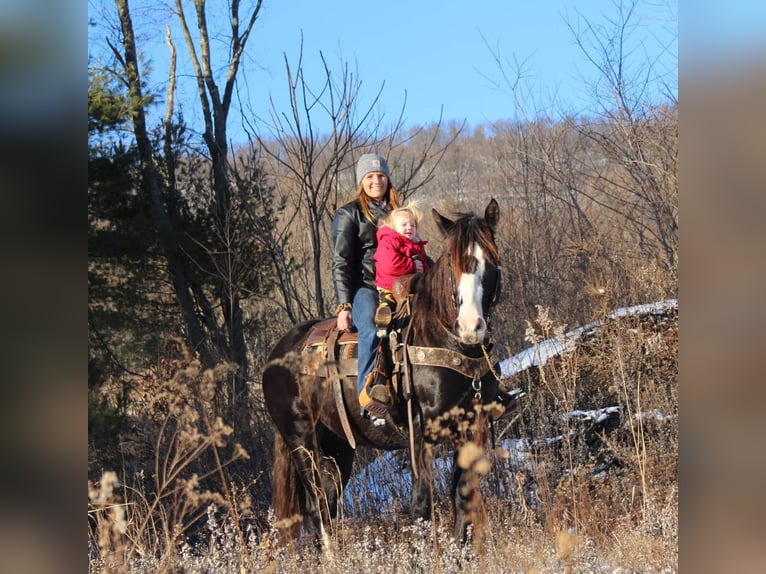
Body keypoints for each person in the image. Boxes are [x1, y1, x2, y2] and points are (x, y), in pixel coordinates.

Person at [332, 153, 401, 418]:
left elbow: (413, 246)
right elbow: (340, 262)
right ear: (362, 181)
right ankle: (369, 396)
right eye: (370, 177)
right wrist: (344, 305)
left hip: (399, 287)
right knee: (372, 327)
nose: (376, 181)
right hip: (367, 287)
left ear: (387, 179)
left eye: (381, 175)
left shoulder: (398, 214)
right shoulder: (348, 215)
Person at [373, 204, 431, 336]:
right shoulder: (388, 241)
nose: (409, 228)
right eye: (404, 225)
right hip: (389, 283)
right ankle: (383, 323)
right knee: (389, 301)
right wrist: (412, 265)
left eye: (412, 225)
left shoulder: (416, 245)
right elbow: (391, 264)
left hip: (412, 285)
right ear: (393, 228)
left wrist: (429, 275)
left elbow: (424, 264)